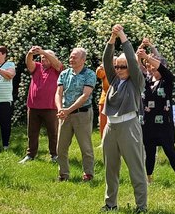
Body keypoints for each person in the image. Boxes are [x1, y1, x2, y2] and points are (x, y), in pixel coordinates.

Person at [100, 25, 148, 212]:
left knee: (136, 168)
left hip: (129, 126)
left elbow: (132, 62)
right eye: (117, 66)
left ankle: (141, 207)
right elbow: (106, 60)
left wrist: (122, 37)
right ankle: (110, 204)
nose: (119, 69)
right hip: (111, 127)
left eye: (123, 67)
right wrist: (112, 39)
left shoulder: (136, 81)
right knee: (110, 169)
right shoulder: (113, 79)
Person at [138, 43, 175, 186]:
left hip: (164, 124)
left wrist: (147, 57)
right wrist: (140, 52)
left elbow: (163, 69)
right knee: (149, 152)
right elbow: (137, 66)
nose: (152, 70)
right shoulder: (146, 81)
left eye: (155, 68)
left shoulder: (167, 81)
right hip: (148, 124)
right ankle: (148, 179)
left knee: (170, 151)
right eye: (150, 68)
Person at [56, 47, 97, 182]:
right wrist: (60, 109)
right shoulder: (64, 74)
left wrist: (68, 110)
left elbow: (85, 96)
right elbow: (58, 93)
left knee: (85, 147)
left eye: (75, 57)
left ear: (83, 60)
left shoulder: (89, 74)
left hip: (82, 114)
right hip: (64, 115)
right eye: (71, 56)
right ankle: (63, 174)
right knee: (60, 147)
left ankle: (88, 174)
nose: (71, 59)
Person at [21, 46, 63, 163]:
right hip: (33, 106)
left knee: (53, 132)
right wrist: (30, 53)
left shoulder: (56, 68)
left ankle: (54, 155)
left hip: (50, 107)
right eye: (42, 58)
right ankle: (30, 155)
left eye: (45, 57)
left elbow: (58, 64)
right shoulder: (37, 67)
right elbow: (29, 63)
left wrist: (43, 52)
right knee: (32, 132)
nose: (43, 59)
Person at [96, 63, 109, 143]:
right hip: (104, 99)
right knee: (103, 123)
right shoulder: (105, 68)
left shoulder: (122, 69)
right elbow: (99, 73)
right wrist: (102, 65)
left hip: (119, 100)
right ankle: (104, 142)